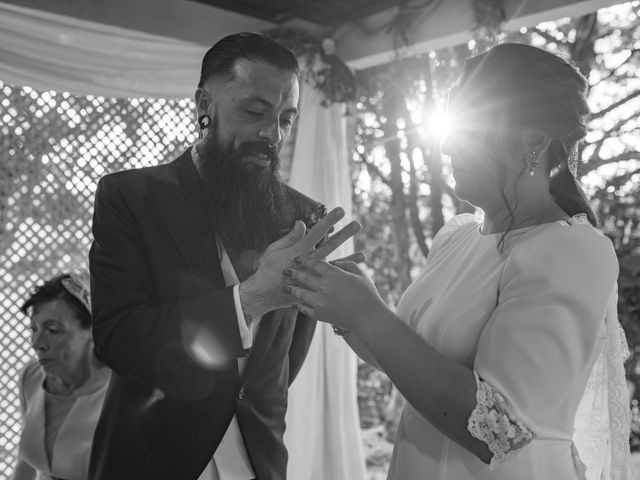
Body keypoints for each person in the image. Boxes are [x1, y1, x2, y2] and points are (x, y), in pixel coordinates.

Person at [285, 43, 633, 480]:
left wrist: (365, 312)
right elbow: (417, 365)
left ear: (535, 141)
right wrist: (343, 305)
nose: (447, 144)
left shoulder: (571, 251)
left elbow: (500, 430)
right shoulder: (458, 237)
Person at [88, 32, 360, 480]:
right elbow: (119, 338)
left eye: (286, 119)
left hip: (259, 463)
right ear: (203, 106)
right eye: (254, 112)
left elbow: (282, 367)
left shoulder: (304, 217)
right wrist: (247, 300)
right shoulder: (129, 196)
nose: (271, 135)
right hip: (148, 460)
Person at [11, 273, 110, 480]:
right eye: (33, 329)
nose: (37, 343)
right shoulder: (32, 377)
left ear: (92, 330)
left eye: (52, 330)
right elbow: (26, 462)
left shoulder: (117, 392)